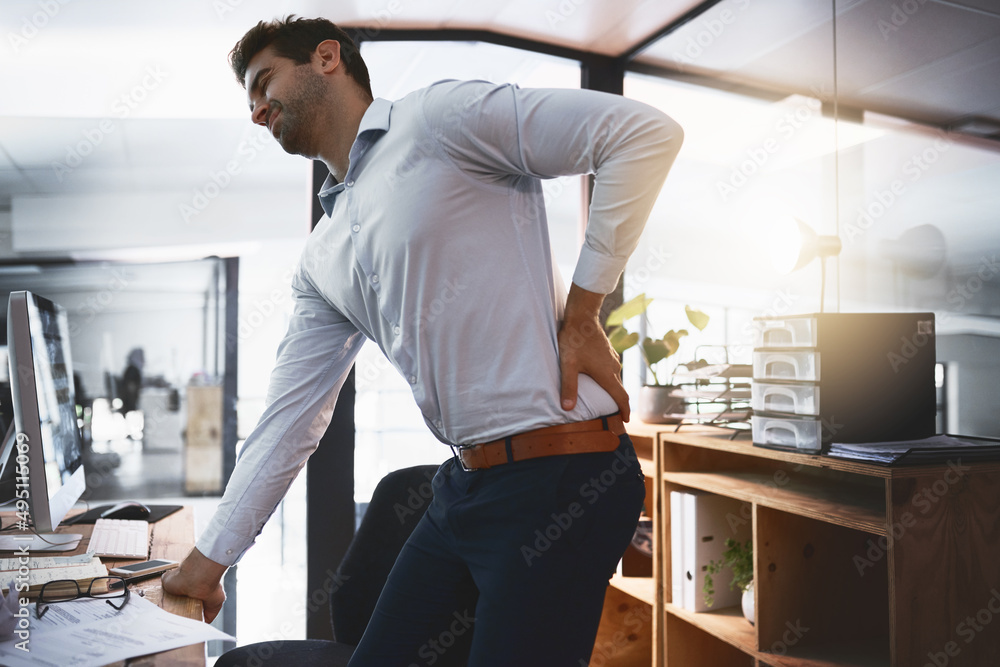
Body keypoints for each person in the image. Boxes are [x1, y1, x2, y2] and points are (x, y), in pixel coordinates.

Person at [163, 15, 683, 666]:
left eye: (264, 82)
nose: (257, 111)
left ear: (327, 58)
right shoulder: (321, 256)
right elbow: (286, 421)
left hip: (564, 475)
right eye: (249, 99)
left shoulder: (439, 119)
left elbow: (641, 135)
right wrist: (206, 565)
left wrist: (584, 310)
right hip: (463, 486)